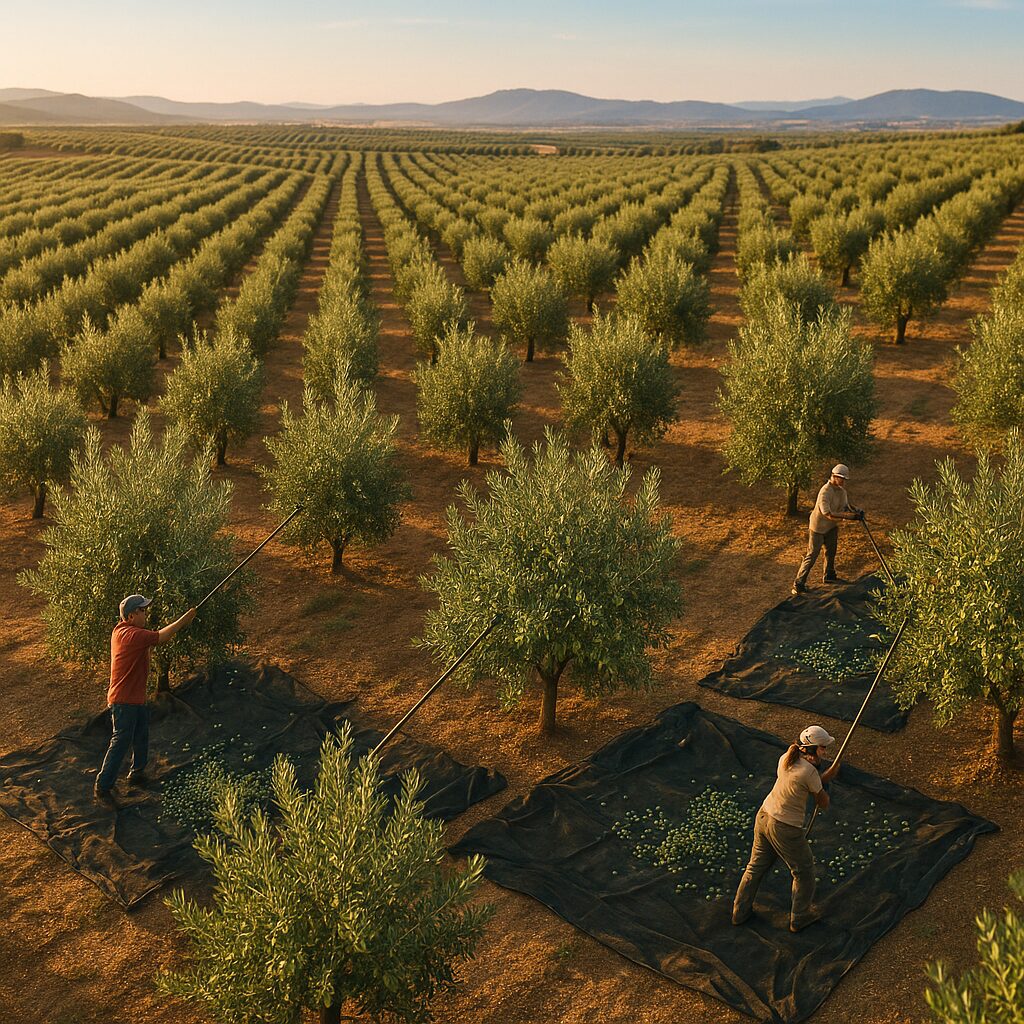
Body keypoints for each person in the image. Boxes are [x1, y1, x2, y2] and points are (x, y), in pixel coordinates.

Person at [732, 725, 840, 932]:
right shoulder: (809, 772)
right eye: (823, 748)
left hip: (764, 816)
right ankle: (800, 917)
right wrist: (826, 784)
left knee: (755, 867)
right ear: (814, 748)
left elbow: (805, 782)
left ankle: (739, 912)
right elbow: (822, 802)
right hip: (784, 827)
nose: (825, 752)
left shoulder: (786, 758)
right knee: (804, 871)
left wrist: (828, 774)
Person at [93, 594, 196, 806]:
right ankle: (103, 785)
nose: (145, 613)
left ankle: (137, 773)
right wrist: (185, 620)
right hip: (123, 700)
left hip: (135, 698)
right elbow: (162, 637)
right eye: (142, 610)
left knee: (141, 734)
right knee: (121, 740)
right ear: (131, 616)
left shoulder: (124, 630)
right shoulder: (129, 635)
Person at [792, 464, 863, 596]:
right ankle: (798, 583)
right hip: (818, 528)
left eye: (844, 479)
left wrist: (857, 511)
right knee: (812, 555)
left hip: (831, 527)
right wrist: (849, 517)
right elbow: (828, 514)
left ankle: (829, 575)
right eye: (841, 478)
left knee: (831, 551)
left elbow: (846, 506)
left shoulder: (841, 491)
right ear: (834, 477)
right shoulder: (825, 491)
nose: (843, 481)